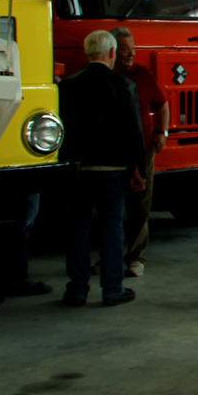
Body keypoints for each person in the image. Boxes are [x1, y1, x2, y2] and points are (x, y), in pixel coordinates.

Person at [57, 29, 144, 308]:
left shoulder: (66, 85)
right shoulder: (123, 85)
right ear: (112, 53)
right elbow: (134, 131)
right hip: (112, 168)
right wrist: (138, 168)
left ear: (87, 52)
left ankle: (76, 290)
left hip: (77, 169)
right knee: (112, 227)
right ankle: (112, 289)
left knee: (77, 229)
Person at [112, 27, 167, 278]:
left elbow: (162, 104)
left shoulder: (143, 74)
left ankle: (135, 257)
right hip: (111, 153)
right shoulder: (104, 76)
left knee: (140, 206)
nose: (131, 54)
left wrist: (161, 131)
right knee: (111, 206)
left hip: (143, 150)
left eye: (132, 48)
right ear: (112, 50)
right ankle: (109, 257)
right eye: (125, 49)